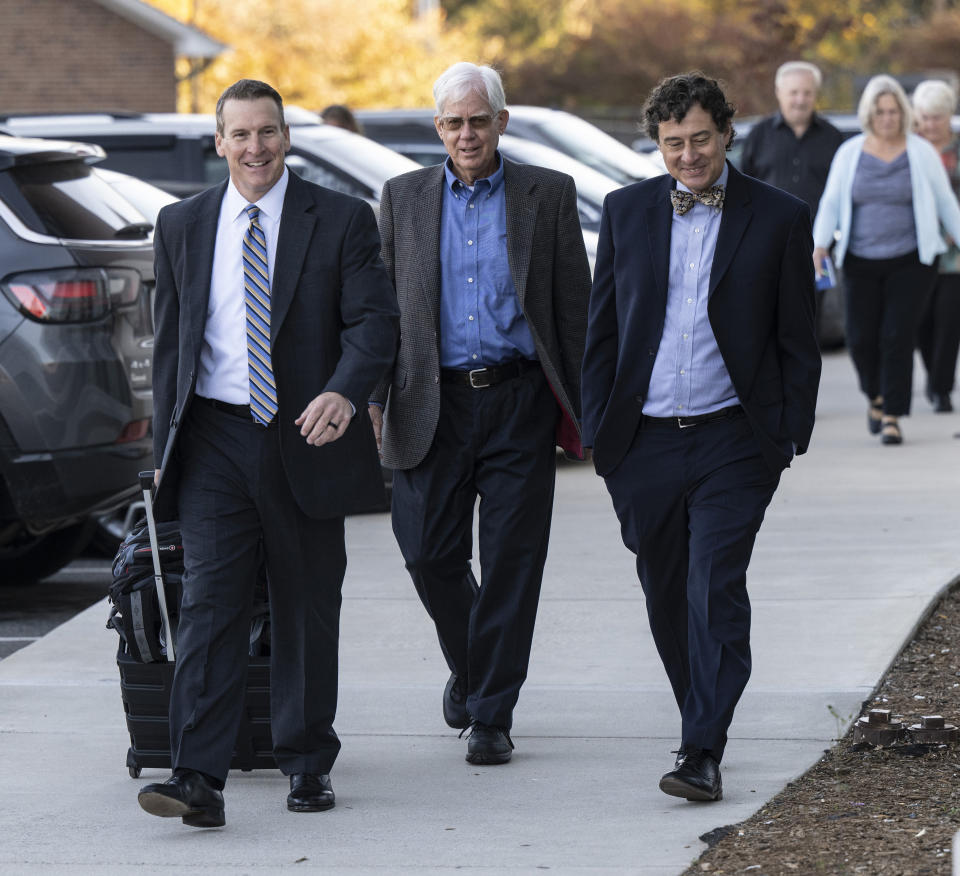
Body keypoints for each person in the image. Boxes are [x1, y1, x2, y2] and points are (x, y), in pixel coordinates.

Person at [138, 79, 399, 827]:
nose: (256, 148)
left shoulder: (342, 219)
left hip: (305, 436)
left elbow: (375, 322)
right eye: (241, 135)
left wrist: (346, 394)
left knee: (305, 604)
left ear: (288, 136)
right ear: (218, 142)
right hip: (216, 437)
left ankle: (307, 761)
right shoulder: (182, 223)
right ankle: (197, 776)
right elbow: (171, 350)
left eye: (268, 132)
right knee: (211, 607)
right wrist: (166, 452)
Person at [581, 72, 821, 802]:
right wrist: (600, 435)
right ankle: (701, 717)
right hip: (643, 444)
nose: (688, 156)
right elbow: (604, 331)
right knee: (665, 591)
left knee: (713, 587)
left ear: (726, 133)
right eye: (673, 143)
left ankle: (701, 749)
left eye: (700, 140)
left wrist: (784, 438)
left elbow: (796, 339)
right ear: (657, 144)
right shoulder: (626, 213)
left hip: (734, 441)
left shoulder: (778, 217)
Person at [371, 61, 591, 766]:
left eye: (478, 119)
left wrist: (594, 408)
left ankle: (492, 713)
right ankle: (472, 669)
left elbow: (574, 308)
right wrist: (375, 398)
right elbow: (378, 312)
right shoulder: (402, 197)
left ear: (502, 121)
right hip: (428, 401)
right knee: (428, 552)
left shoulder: (547, 194)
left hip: (518, 399)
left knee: (510, 563)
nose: (467, 133)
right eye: (453, 122)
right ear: (438, 128)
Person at [813, 75, 960, 444]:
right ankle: (875, 397)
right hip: (859, 260)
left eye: (894, 111)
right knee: (861, 339)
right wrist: (819, 246)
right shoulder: (851, 152)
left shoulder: (920, 152)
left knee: (897, 336)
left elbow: (945, 203)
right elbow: (831, 202)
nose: (887, 118)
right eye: (880, 111)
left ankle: (892, 415)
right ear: (869, 113)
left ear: (904, 113)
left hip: (912, 260)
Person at [740, 61, 844, 217]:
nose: (800, 100)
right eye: (794, 92)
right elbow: (744, 189)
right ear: (778, 92)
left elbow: (843, 191)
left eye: (807, 93)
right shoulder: (758, 135)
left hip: (818, 237)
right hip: (769, 235)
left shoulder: (833, 137)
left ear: (816, 94)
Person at [912, 79, 960, 413]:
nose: (931, 124)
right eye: (925, 117)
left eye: (937, 118)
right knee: (921, 321)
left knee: (948, 321)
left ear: (949, 117)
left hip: (954, 253)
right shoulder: (910, 149)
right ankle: (933, 376)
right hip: (916, 250)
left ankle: (941, 388)